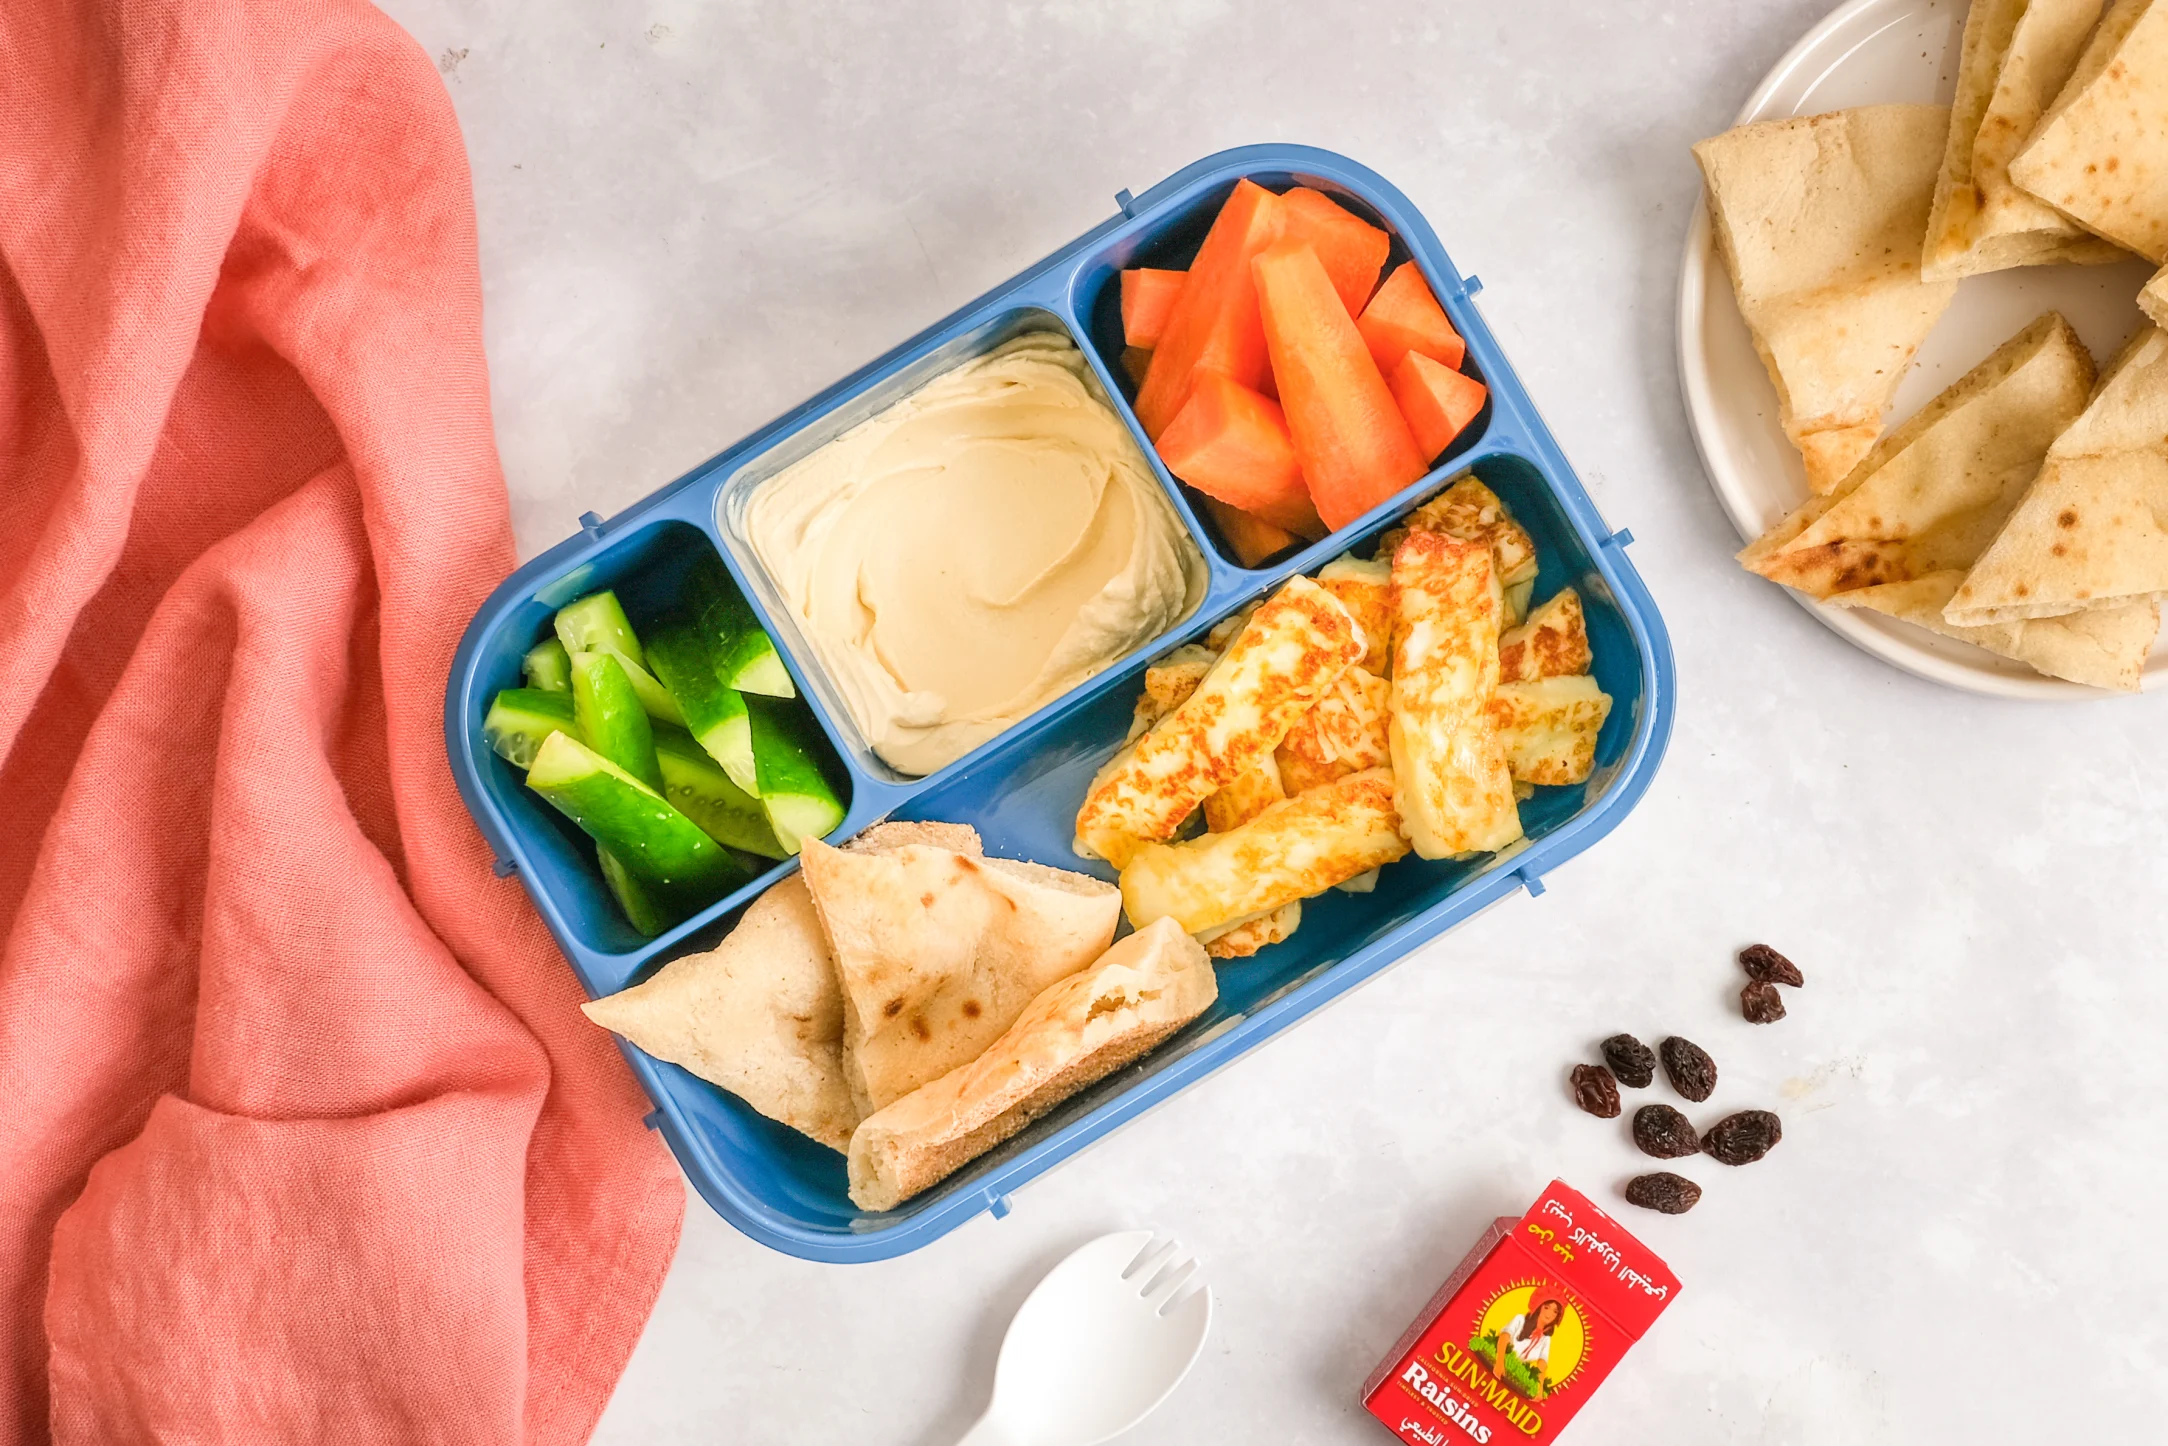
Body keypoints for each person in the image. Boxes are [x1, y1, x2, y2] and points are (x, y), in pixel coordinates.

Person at [1496, 1297, 1565, 1397]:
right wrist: (1499, 1363)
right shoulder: (1520, 1319)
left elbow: (1542, 1362)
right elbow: (1504, 1336)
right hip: (1498, 1362)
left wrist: (1539, 1388)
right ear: (1539, 1307)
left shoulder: (1546, 1339)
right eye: (1546, 1307)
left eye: (1555, 1312)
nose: (1549, 1314)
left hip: (1511, 1383)